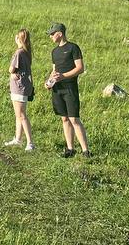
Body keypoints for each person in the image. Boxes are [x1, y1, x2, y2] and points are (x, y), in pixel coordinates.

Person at [45, 22, 90, 158]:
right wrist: (49, 82)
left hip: (70, 88)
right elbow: (54, 71)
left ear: (60, 34)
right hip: (57, 89)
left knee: (74, 119)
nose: (51, 37)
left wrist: (63, 76)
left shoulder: (73, 48)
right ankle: (70, 149)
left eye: (52, 34)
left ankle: (86, 151)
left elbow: (80, 68)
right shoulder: (54, 51)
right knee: (64, 118)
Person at [4, 28, 35, 151]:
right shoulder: (27, 52)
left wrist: (11, 72)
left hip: (19, 87)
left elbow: (11, 69)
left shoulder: (19, 52)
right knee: (18, 115)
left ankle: (30, 142)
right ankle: (18, 139)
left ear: (18, 38)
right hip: (24, 85)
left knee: (21, 115)